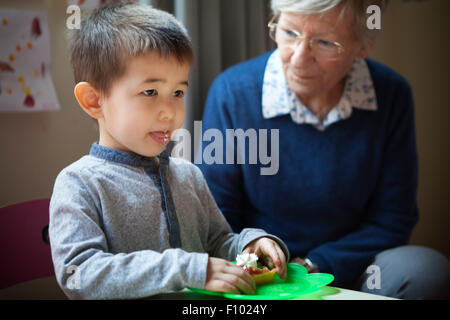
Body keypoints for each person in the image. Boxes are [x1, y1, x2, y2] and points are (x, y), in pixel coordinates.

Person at [197, 0, 450, 299]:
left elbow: (393, 218)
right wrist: (262, 261)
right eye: (289, 33)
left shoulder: (391, 94)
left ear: (363, 44)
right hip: (262, 271)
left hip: (354, 267)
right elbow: (216, 218)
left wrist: (313, 265)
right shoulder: (232, 92)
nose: (300, 59)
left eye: (326, 42)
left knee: (426, 270)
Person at [49, 2, 288, 300]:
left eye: (178, 93)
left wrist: (249, 245)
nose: (169, 112)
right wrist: (186, 268)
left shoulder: (189, 175)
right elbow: (80, 275)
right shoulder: (79, 184)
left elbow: (217, 244)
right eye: (150, 92)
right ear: (94, 100)